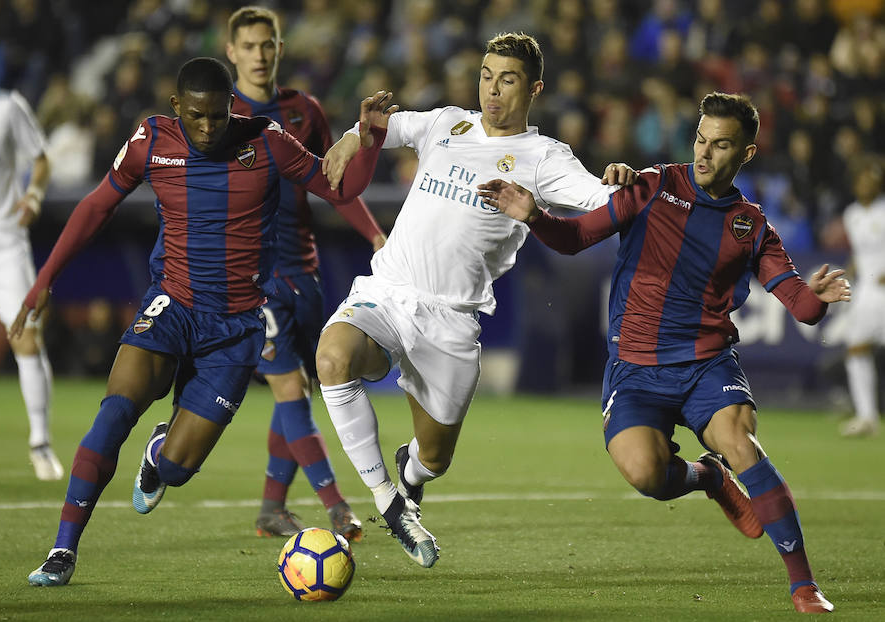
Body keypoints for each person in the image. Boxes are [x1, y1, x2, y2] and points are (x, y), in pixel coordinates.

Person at [14, 57, 393, 587]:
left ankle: (160, 453)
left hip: (236, 329)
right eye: (197, 116)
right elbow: (97, 206)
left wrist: (369, 141)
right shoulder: (150, 140)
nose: (209, 127)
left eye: (218, 116)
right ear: (176, 107)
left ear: (232, 107)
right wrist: (44, 278)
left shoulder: (268, 141)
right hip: (171, 306)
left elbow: (338, 188)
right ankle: (62, 550)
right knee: (112, 416)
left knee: (177, 469)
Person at [478, 92, 850, 614]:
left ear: (746, 153)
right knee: (648, 476)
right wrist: (533, 215)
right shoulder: (651, 186)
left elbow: (801, 307)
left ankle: (804, 584)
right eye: (700, 139)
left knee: (741, 444)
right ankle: (708, 477)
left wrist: (817, 297)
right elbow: (574, 238)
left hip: (706, 365)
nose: (704, 153)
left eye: (720, 145)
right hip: (634, 369)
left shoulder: (751, 225)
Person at [316, 32, 637, 568]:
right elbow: (389, 124)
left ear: (534, 88)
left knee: (435, 459)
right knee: (332, 358)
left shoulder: (544, 157)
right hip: (388, 294)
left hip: (451, 321)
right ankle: (388, 501)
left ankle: (411, 472)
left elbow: (601, 202)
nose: (492, 90)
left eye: (507, 80)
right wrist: (355, 135)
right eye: (486, 76)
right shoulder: (447, 123)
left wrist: (621, 181)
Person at [225, 6, 387, 542]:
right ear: (232, 52)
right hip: (253, 277)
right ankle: (337, 506)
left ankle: (272, 507)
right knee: (289, 385)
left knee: (299, 390)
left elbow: (332, 183)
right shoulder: (219, 116)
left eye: (266, 44)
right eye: (248, 46)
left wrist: (373, 235)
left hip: (306, 271)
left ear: (279, 47)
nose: (259, 54)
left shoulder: (303, 110)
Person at [0, 84, 61, 481]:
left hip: (3, 245)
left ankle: (40, 442)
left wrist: (32, 195)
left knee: (27, 338)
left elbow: (41, 159)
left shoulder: (7, 106)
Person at [840, 160, 885, 437]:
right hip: (867, 293)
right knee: (856, 349)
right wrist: (846, 274)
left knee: (858, 350)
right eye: (861, 179)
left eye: (871, 179)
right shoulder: (851, 214)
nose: (866, 184)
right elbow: (859, 253)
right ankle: (866, 416)